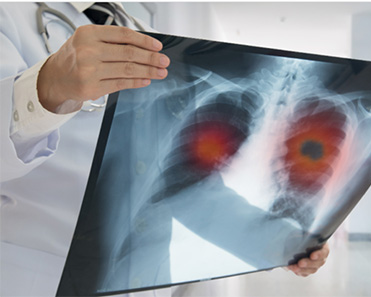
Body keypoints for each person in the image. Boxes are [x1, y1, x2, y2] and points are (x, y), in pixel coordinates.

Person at [0, 2, 329, 296]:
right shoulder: (9, 15)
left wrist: (280, 242)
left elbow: (183, 188)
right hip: (41, 280)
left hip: (149, 281)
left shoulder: (151, 39)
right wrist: (48, 87)